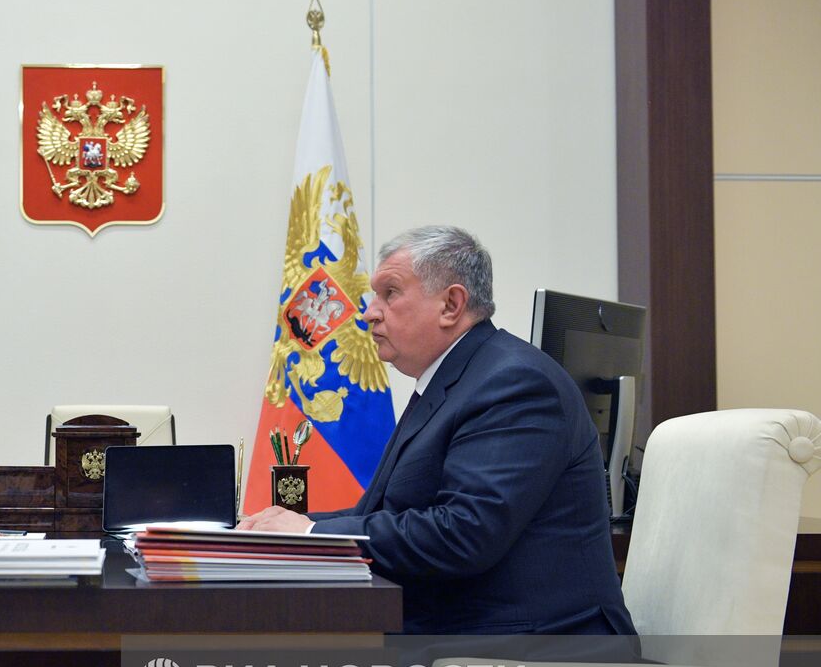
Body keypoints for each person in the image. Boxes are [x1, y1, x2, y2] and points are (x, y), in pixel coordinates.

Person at [240, 226, 634, 637]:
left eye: (390, 293)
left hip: (535, 647)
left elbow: (463, 533)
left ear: (451, 304)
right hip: (460, 631)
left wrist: (309, 533)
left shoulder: (514, 383)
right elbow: (380, 514)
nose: (369, 312)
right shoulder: (451, 381)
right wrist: (283, 527)